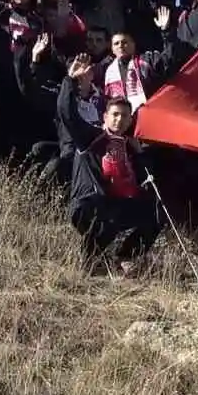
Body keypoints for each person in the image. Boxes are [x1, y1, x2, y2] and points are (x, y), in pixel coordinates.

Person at [60, 55, 161, 274]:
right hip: (88, 205)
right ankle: (90, 263)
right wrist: (70, 81)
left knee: (156, 211)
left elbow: (146, 178)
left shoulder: (130, 146)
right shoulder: (90, 137)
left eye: (125, 116)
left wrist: (140, 153)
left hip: (114, 205)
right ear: (105, 117)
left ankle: (125, 257)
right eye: (115, 115)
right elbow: (67, 114)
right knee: (103, 210)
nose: (119, 120)